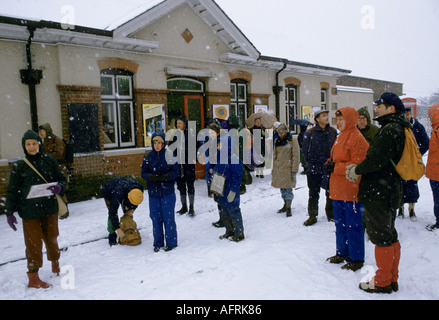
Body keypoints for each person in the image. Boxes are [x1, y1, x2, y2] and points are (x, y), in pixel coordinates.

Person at [346, 92, 409, 294]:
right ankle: (392, 277)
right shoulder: (399, 127)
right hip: (389, 190)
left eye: (380, 105)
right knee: (390, 235)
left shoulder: (390, 129)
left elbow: (375, 159)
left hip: (379, 192)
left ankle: (382, 281)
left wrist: (357, 169)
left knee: (381, 237)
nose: (376, 108)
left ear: (391, 108)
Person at [5, 129, 67, 289]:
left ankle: (55, 262)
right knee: (33, 244)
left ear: (39, 144)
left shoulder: (49, 161)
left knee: (52, 238)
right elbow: (12, 190)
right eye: (28, 144)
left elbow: (61, 179)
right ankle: (33, 277)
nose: (32, 147)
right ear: (24, 146)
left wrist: (59, 187)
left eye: (34, 143)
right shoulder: (20, 166)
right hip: (29, 212)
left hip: (49, 209)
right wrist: (9, 212)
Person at [326, 107, 369, 271]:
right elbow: (337, 159)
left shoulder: (357, 138)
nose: (338, 122)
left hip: (351, 190)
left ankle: (356, 258)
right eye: (337, 119)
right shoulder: (340, 136)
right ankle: (342, 252)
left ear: (350, 120)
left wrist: (335, 167)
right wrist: (329, 164)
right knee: (340, 224)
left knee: (353, 225)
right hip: (338, 189)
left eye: (341, 119)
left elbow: (357, 166)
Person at [141, 132, 180, 252]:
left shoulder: (169, 155)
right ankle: (158, 242)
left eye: (159, 143)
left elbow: (176, 171)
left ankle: (171, 242)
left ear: (163, 143)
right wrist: (151, 177)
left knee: (168, 217)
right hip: (153, 193)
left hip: (167, 192)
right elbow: (143, 173)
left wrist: (166, 177)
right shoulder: (148, 156)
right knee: (155, 218)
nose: (157, 145)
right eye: (154, 142)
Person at [302, 110, 337, 226]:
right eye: (323, 116)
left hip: (329, 168)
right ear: (317, 119)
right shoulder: (310, 133)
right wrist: (310, 164)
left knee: (330, 193)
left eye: (326, 115)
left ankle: (331, 215)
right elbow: (305, 152)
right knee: (313, 193)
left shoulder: (333, 131)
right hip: (314, 169)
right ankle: (312, 215)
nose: (326, 117)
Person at [398, 107, 429, 221]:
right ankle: (400, 209)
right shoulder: (399, 126)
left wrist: (418, 154)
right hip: (401, 162)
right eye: (405, 114)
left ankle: (412, 210)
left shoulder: (417, 126)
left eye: (409, 114)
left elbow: (425, 142)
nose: (407, 116)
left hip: (413, 163)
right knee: (401, 185)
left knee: (412, 184)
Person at [213, 136, 245, 242]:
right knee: (224, 211)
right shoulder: (219, 156)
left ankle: (239, 233)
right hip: (221, 188)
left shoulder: (234, 158)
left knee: (234, 210)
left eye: (220, 144)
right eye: (217, 145)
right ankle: (229, 231)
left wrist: (234, 190)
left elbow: (237, 176)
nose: (218, 147)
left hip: (231, 189)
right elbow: (217, 171)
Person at [38, 123, 70, 219]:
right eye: (39, 132)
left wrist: (46, 156)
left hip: (59, 168)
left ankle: (65, 210)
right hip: (51, 169)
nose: (40, 133)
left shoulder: (57, 140)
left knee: (61, 189)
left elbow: (59, 154)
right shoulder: (45, 141)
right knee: (53, 188)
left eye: (42, 131)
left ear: (47, 131)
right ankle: (58, 209)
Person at [101, 177, 144, 246]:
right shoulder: (117, 194)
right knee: (112, 213)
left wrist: (132, 209)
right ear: (129, 197)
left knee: (129, 212)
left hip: (124, 189)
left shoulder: (139, 189)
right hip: (109, 191)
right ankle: (112, 234)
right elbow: (113, 213)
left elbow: (136, 202)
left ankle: (128, 228)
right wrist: (117, 228)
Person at [271, 123, 300, 217]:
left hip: (287, 168)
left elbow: (296, 155)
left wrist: (294, 170)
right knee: (282, 188)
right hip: (279, 168)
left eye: (282, 132)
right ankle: (285, 205)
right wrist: (274, 167)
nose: (280, 134)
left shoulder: (292, 140)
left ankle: (288, 208)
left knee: (288, 189)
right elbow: (275, 155)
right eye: (278, 133)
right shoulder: (277, 141)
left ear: (286, 131)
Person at [174, 114, 196, 216]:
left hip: (188, 165)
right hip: (179, 165)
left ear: (185, 124)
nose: (178, 125)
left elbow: (195, 148)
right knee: (181, 186)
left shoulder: (190, 134)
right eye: (177, 123)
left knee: (190, 186)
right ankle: (184, 206)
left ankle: (191, 207)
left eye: (180, 123)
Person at [426, 104, 439, 231]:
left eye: (430, 115)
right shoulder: (435, 129)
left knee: (438, 199)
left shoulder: (438, 129)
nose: (429, 117)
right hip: (435, 172)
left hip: (437, 173)